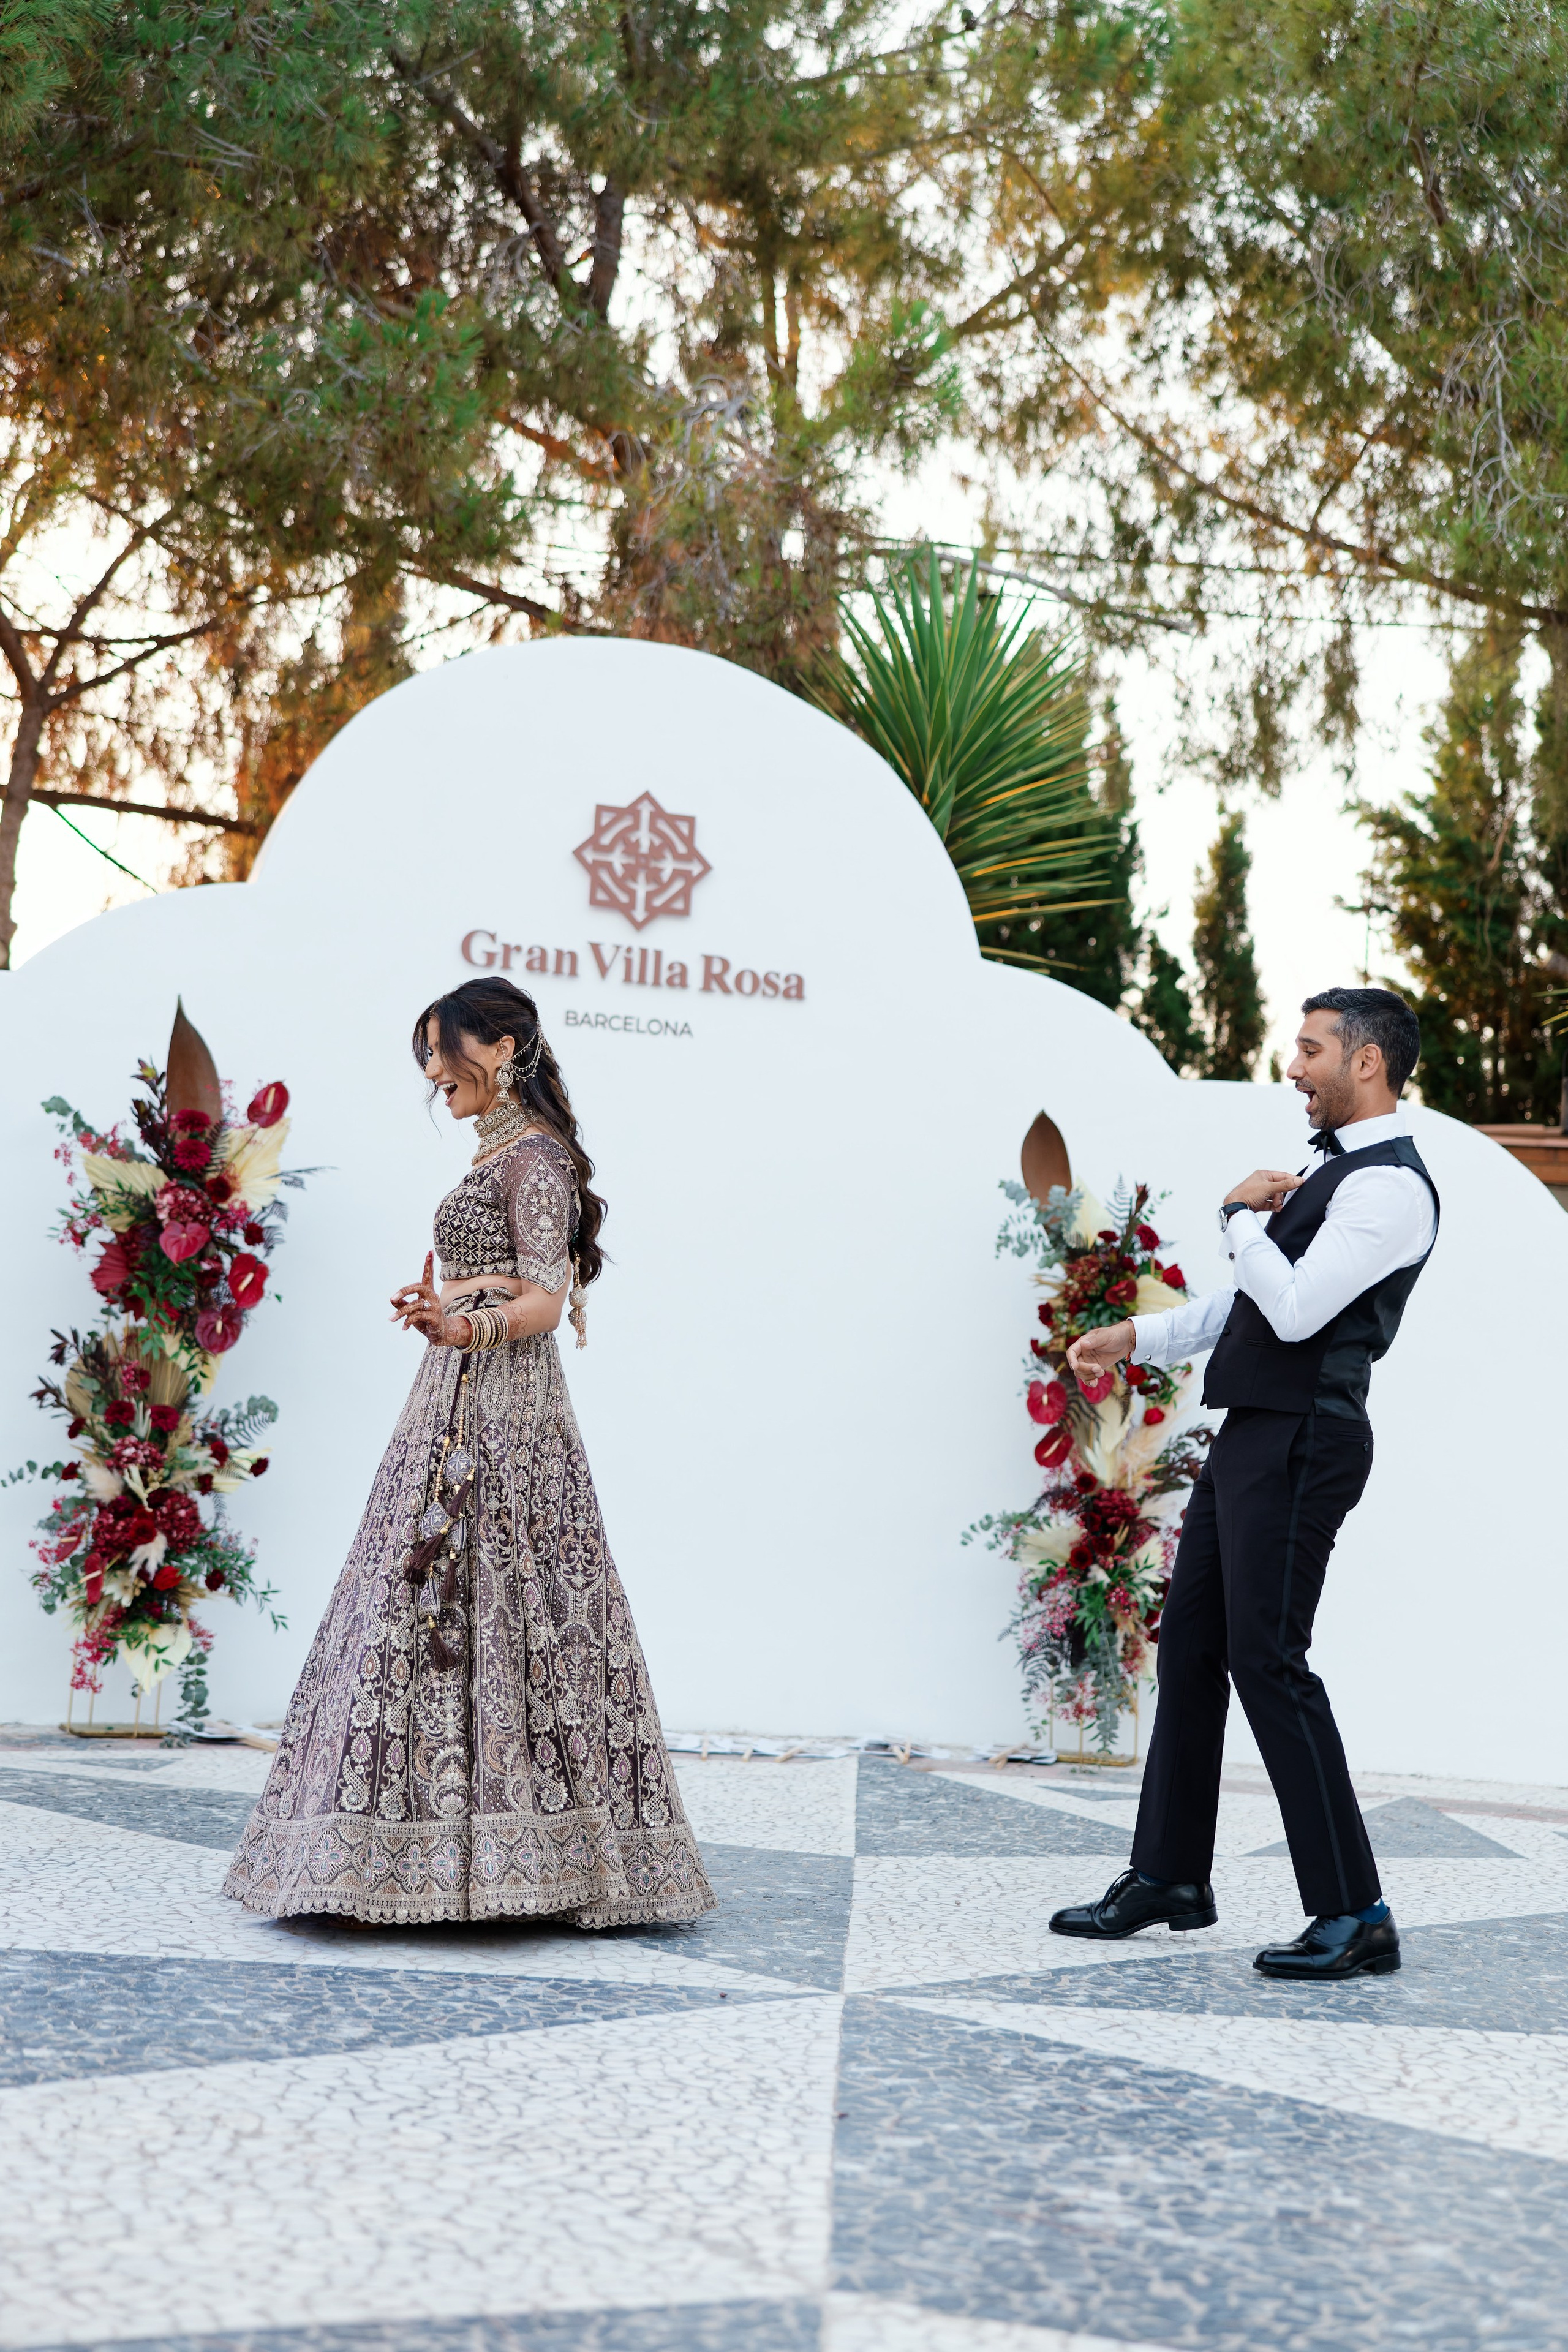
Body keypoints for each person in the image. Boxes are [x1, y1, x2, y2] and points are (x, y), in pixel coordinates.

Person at [225, 976, 716, 1928]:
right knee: (432, 1598)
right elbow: (512, 1285)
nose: (430, 1070)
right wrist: (448, 1311)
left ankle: (515, 1859)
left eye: (443, 1049)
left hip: (504, 1412)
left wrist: (461, 1328)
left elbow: (538, 1298)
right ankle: (393, 1855)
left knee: (500, 1600)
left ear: (499, 1047)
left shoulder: (535, 1160)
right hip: (456, 1399)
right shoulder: (505, 1155)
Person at [1049, 987, 1437, 1980]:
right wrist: (1140, 1334)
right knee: (1195, 1647)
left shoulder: (1390, 1187)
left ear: (1369, 1062)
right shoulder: (1327, 1176)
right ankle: (1170, 1876)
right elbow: (1249, 1308)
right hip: (1258, 1436)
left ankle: (1357, 1911)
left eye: (1310, 1050)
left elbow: (1298, 1311)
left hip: (1309, 1440)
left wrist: (1236, 1214)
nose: (1293, 1068)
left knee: (1270, 1660)